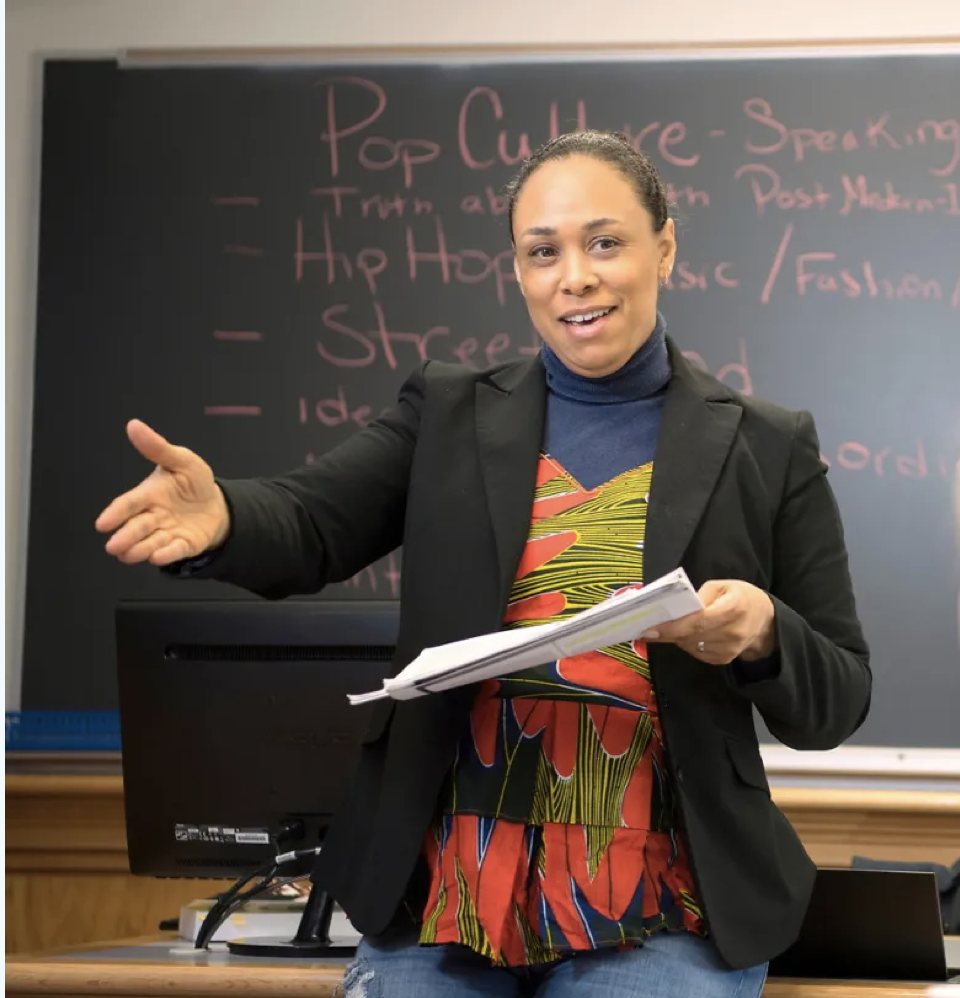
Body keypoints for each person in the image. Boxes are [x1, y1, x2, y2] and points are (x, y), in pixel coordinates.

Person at [96, 129, 871, 998]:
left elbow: (839, 692)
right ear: (519, 270)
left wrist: (765, 633)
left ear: (666, 246)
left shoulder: (767, 444)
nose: (573, 275)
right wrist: (227, 515)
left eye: (604, 242)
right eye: (543, 253)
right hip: (449, 892)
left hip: (665, 899)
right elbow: (313, 521)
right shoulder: (448, 413)